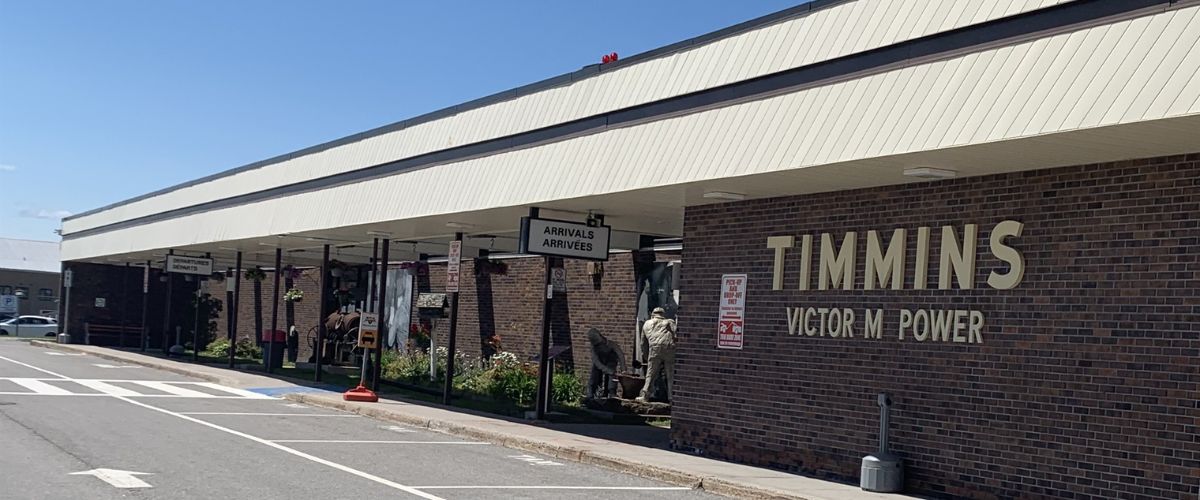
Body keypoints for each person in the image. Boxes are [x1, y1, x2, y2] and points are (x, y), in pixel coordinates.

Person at [638, 307, 676, 402]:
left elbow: (643, 344)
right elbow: (676, 334)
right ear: (663, 315)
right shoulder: (670, 322)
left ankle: (645, 395)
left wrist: (646, 357)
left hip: (654, 348)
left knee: (650, 373)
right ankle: (671, 397)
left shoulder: (647, 323)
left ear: (652, 314)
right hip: (669, 348)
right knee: (670, 374)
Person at [586, 327, 625, 399]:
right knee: (594, 375)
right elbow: (597, 362)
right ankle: (590, 395)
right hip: (600, 362)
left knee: (612, 373)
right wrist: (607, 370)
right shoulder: (593, 348)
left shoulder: (610, 344)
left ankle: (611, 393)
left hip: (610, 361)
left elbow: (620, 355)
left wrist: (623, 369)